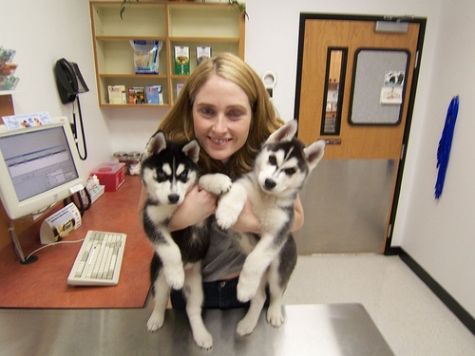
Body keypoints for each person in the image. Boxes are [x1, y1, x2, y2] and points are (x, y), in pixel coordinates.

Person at [148, 52, 304, 309]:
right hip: (191, 286)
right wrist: (182, 217)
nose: (219, 128)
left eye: (234, 114)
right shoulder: (170, 152)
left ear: (253, 113)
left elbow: (296, 218)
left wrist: (250, 222)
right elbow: (145, 222)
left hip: (253, 285)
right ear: (190, 108)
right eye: (207, 111)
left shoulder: (267, 153)